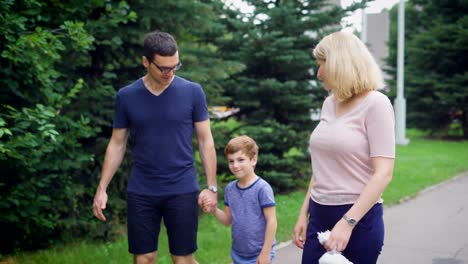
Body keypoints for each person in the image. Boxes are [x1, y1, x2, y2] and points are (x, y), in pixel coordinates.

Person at [92, 30, 218, 264]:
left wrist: (212, 187)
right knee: (144, 258)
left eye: (175, 66)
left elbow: (205, 140)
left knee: (183, 259)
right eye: (163, 68)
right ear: (145, 62)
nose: (169, 73)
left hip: (182, 187)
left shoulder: (192, 92)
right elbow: (117, 144)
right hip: (142, 189)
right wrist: (102, 188)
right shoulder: (126, 96)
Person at [293, 31, 396, 264]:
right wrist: (303, 214)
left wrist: (347, 223)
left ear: (340, 64)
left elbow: (384, 173)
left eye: (321, 65)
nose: (318, 73)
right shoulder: (329, 103)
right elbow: (322, 167)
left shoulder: (376, 104)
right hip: (318, 216)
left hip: (358, 219)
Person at [200, 135, 277, 264]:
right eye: (231, 161)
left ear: (253, 160)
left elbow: (272, 221)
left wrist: (265, 252)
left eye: (241, 160)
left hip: (259, 254)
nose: (235, 165)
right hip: (238, 254)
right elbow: (228, 220)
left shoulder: (262, 188)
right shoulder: (230, 189)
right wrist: (214, 210)